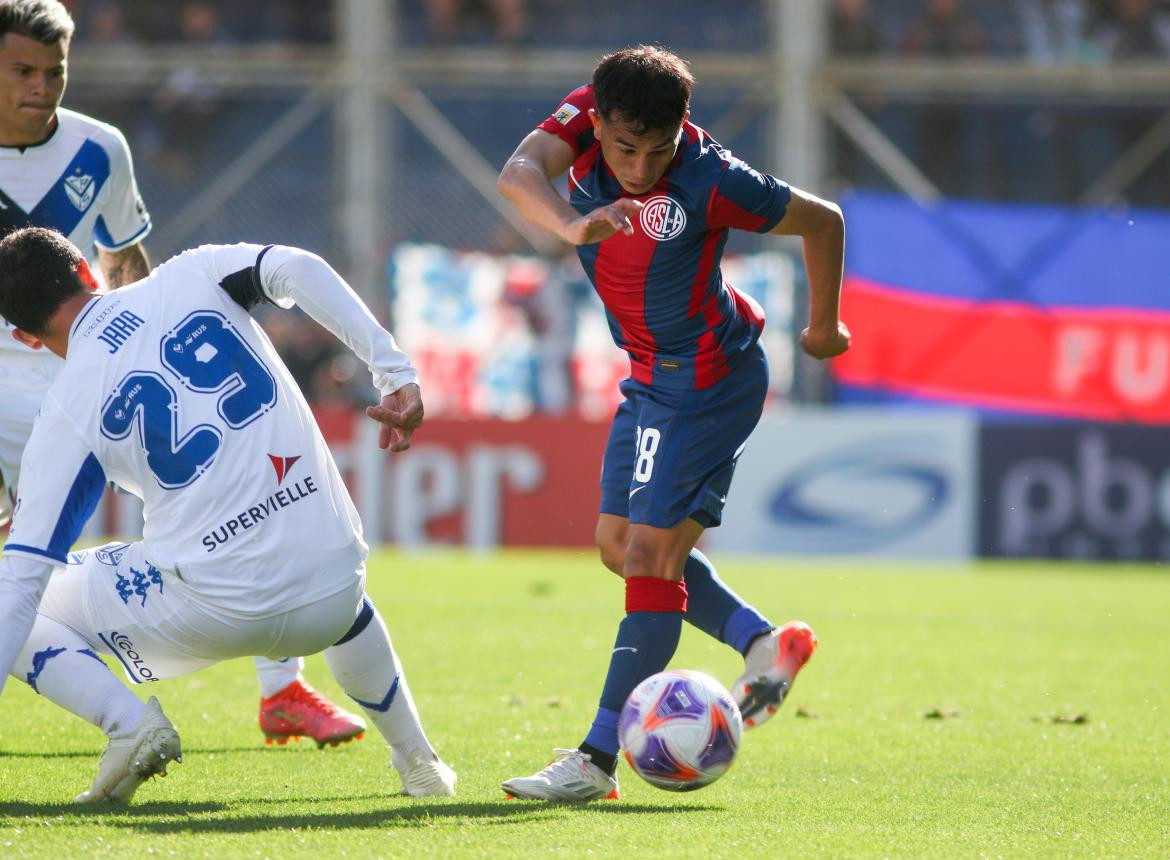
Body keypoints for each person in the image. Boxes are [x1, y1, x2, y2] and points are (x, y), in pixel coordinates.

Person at [0, 0, 365, 747]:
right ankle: (128, 712)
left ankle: (282, 690)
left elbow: (127, 266)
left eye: (55, 71)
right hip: (12, 395)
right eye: (22, 72)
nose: (42, 87)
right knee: (27, 568)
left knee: (226, 498)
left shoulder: (99, 149)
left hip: (89, 384)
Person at [495, 45, 850, 801]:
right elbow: (518, 173)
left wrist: (823, 329)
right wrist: (573, 222)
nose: (640, 166)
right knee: (618, 546)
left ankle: (595, 760)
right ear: (599, 120)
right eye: (625, 148)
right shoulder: (585, 115)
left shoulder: (714, 178)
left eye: (659, 149)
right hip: (652, 378)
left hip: (708, 381)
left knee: (651, 560)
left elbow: (823, 222)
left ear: (682, 129)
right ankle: (763, 642)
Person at [0, 227, 457, 802]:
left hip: (210, 611)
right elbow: (299, 264)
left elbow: (23, 578)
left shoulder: (64, 411)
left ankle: (128, 726)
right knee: (319, 566)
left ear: (25, 336)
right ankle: (419, 762)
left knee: (8, 591)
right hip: (333, 593)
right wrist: (392, 370)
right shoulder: (193, 273)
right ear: (90, 273)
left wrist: (35, 517)